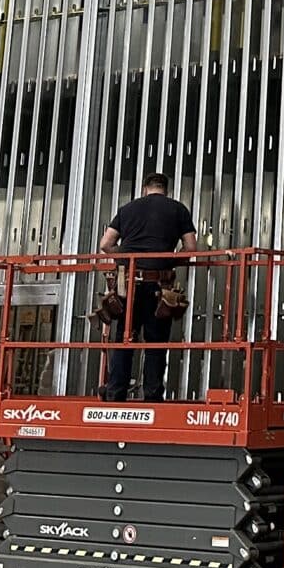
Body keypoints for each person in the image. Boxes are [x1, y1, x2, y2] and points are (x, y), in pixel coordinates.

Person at [98, 171, 199, 403]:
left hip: (127, 284)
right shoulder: (178, 209)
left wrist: (124, 258)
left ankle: (115, 392)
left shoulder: (128, 209)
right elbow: (191, 247)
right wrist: (170, 260)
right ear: (166, 190)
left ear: (145, 188)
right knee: (156, 341)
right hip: (159, 284)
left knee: (125, 337)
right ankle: (152, 395)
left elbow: (106, 244)